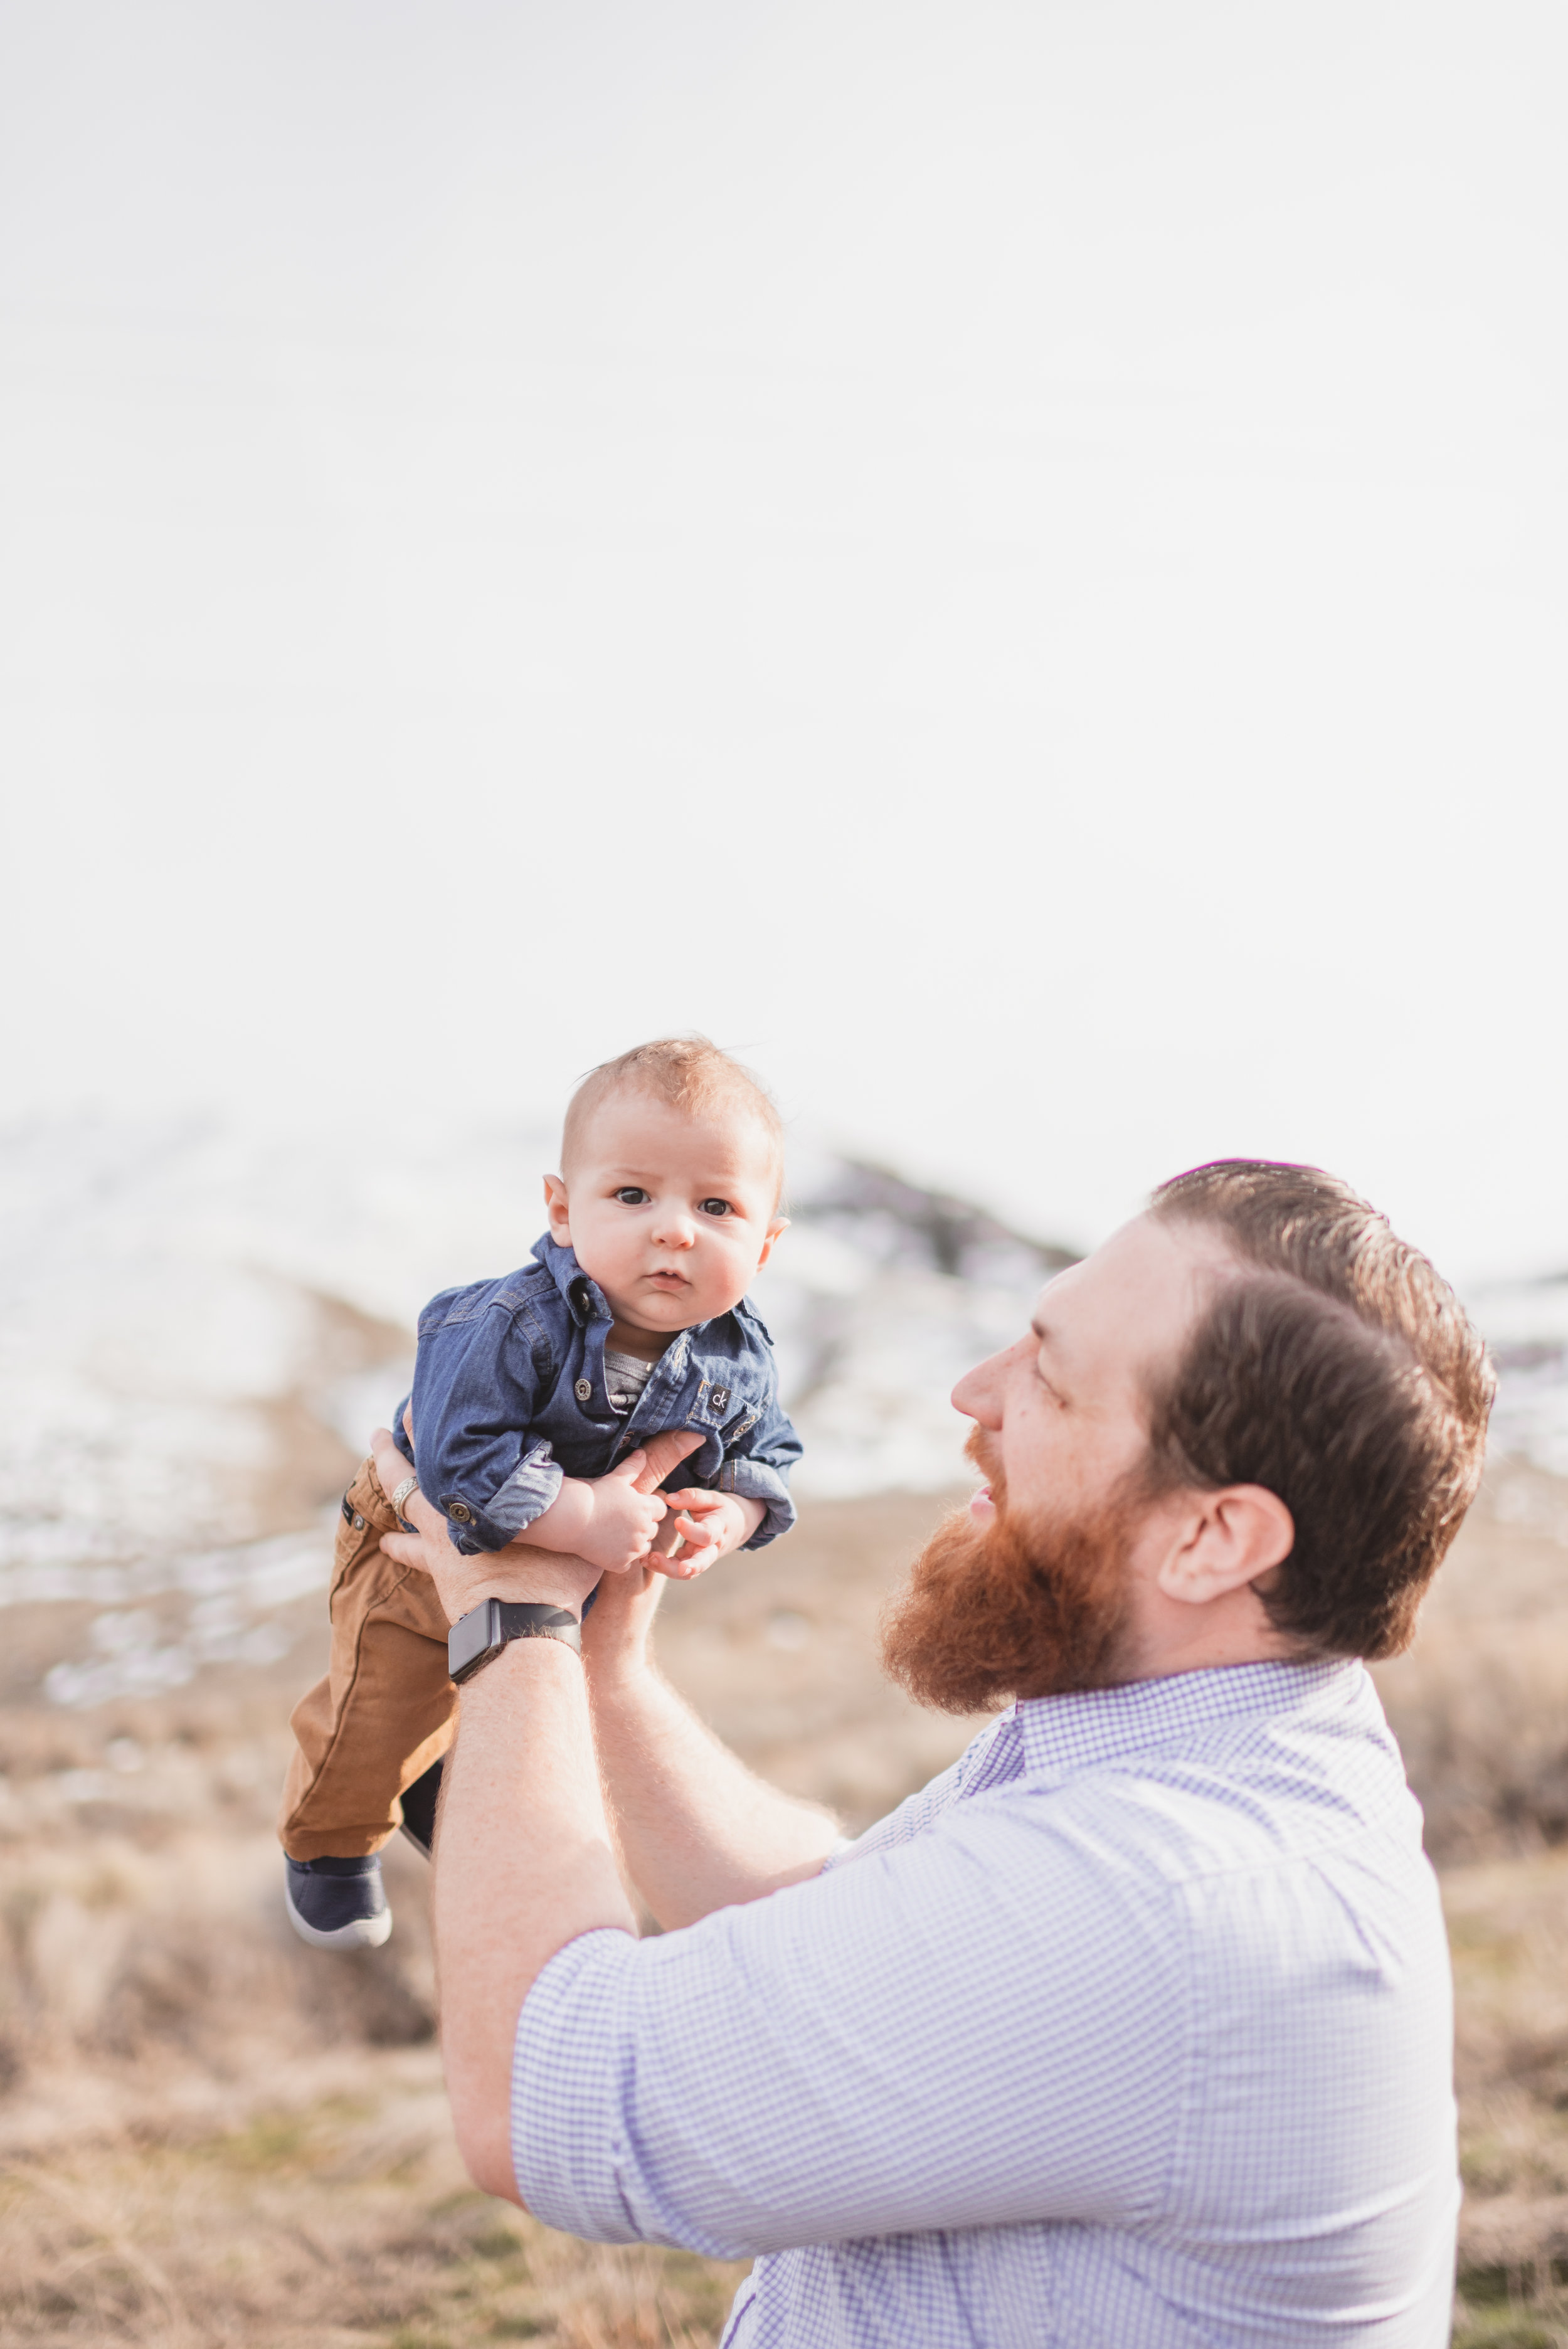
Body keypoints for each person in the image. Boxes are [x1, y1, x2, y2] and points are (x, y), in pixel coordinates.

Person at [374, 1160, 1493, 2348]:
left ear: (1214, 1536)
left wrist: (515, 1612)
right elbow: (835, 1911)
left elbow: (539, 2091)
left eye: (1052, 1381)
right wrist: (605, 1666)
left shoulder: (1165, 1897)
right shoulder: (1199, 1738)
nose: (978, 1393)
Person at [279, 1037, 800, 1948]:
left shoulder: (738, 1351)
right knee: (382, 1706)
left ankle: (448, 1785)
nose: (674, 1228)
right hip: (422, 1547)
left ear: (766, 1242)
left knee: (543, 1721)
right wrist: (586, 1515)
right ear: (563, 1209)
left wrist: (736, 1509)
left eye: (716, 1206)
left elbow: (769, 1447)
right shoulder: (506, 1320)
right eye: (633, 1195)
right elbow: (459, 1459)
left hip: (575, 1572)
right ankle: (329, 1842)